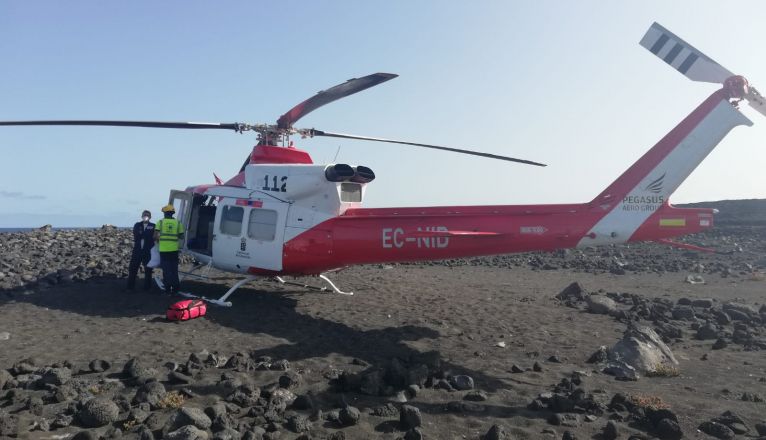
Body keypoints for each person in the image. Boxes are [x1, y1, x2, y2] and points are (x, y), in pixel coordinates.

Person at [154, 204, 185, 294]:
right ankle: (176, 289)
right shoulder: (178, 223)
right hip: (174, 250)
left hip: (164, 251)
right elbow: (182, 236)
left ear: (165, 213)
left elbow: (155, 236)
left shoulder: (160, 222)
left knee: (166, 270)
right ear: (172, 213)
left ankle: (168, 289)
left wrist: (158, 240)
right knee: (174, 270)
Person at [126, 210, 155, 291]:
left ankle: (147, 288)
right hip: (137, 251)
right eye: (144, 215)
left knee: (148, 270)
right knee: (133, 269)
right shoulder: (137, 224)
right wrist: (146, 235)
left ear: (150, 217)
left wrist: (143, 235)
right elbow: (136, 235)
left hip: (148, 251)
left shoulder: (153, 226)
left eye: (147, 215)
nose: (146, 216)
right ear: (142, 216)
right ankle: (130, 287)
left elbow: (153, 237)